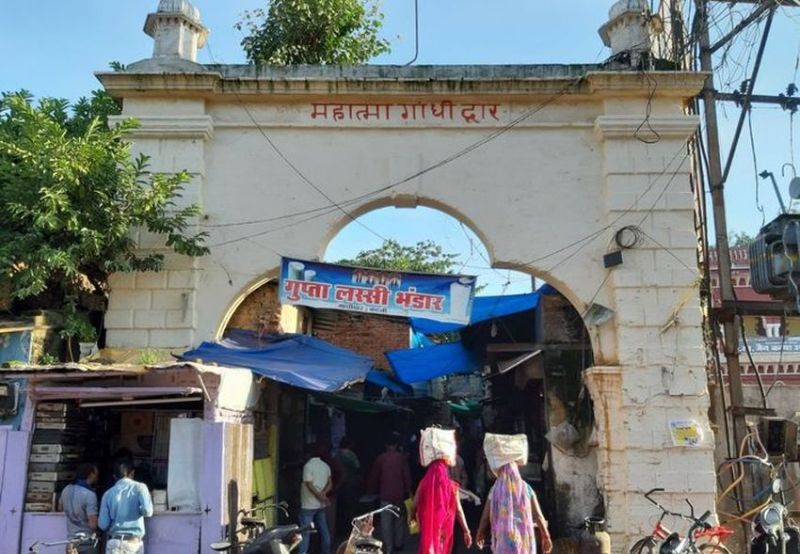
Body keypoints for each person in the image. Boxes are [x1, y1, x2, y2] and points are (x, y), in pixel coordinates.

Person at [474, 461, 552, 554]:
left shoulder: (494, 490)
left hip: (504, 541)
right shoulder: (527, 488)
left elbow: (485, 518)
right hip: (523, 540)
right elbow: (538, 516)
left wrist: (480, 533)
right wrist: (546, 536)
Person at [413, 458, 472, 554]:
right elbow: (459, 510)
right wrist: (466, 531)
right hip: (444, 530)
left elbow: (415, 504)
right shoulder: (452, 486)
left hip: (428, 528)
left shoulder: (423, 483)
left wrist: (413, 518)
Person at [368, 432, 412, 553]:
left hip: (385, 494)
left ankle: (389, 547)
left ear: (386, 445)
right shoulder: (401, 458)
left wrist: (371, 489)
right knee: (399, 519)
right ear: (396, 444)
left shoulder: (381, 458)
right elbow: (407, 476)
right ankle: (399, 543)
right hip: (399, 494)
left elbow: (374, 476)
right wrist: (408, 490)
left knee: (386, 522)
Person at [98, 459, 153, 554]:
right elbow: (147, 512)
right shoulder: (140, 487)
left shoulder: (107, 494)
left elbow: (103, 525)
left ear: (114, 476)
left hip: (114, 543)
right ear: (132, 473)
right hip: (133, 544)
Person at [59, 463, 100, 554]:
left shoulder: (66, 489)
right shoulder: (89, 495)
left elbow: (60, 508)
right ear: (91, 474)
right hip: (86, 542)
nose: (97, 477)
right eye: (96, 474)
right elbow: (93, 525)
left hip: (71, 542)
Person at [299, 444, 333, 554]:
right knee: (324, 530)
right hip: (320, 505)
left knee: (305, 532)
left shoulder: (308, 466)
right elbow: (330, 483)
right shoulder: (325, 466)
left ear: (308, 454)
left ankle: (302, 553)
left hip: (308, 505)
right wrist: (324, 495)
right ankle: (326, 552)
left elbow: (309, 485)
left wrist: (320, 496)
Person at [334, 437, 361, 533]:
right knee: (350, 507)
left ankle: (340, 529)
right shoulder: (351, 454)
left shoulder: (337, 454)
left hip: (339, 484)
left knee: (341, 507)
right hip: (350, 483)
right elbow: (357, 466)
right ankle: (349, 529)